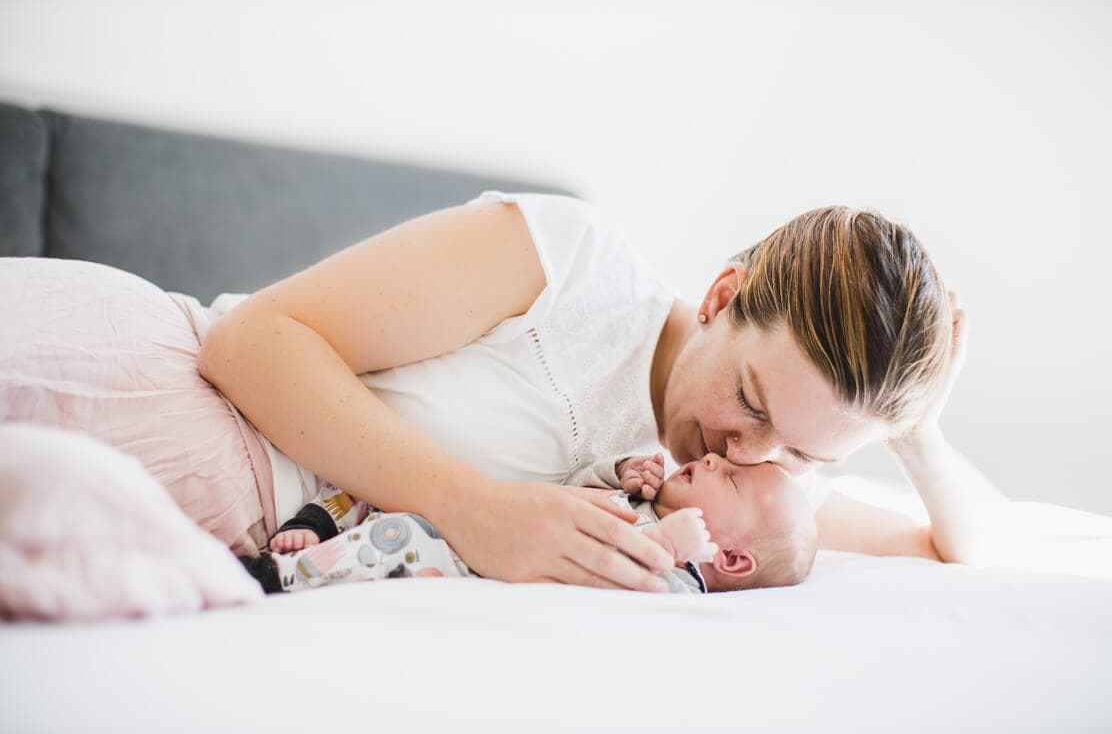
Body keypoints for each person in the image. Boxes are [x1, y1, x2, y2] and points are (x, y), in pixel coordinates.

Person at [196, 190, 1007, 593]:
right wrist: (472, 509)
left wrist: (915, 431)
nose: (746, 451)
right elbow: (250, 342)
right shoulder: (572, 267)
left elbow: (963, 549)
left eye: (801, 450)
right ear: (723, 297)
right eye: (753, 404)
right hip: (165, 399)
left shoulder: (740, 499)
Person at [239, 451, 815, 595]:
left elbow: (638, 596)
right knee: (373, 483)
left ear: (732, 559)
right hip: (479, 514)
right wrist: (618, 469)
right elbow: (571, 484)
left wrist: (667, 545)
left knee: (403, 536)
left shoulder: (681, 579)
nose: (714, 459)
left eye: (732, 480)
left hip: (464, 558)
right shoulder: (641, 499)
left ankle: (277, 575)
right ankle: (315, 524)